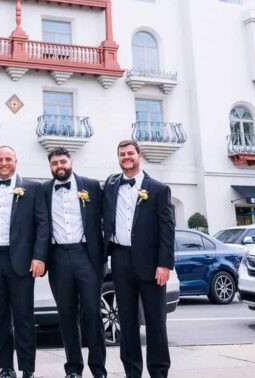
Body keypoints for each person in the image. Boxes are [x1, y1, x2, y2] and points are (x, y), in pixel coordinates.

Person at [102, 139, 176, 378]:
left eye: (130, 153)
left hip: (152, 263)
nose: (126, 157)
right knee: (127, 321)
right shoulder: (112, 184)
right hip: (121, 260)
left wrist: (164, 264)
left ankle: (158, 372)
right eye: (122, 154)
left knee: (156, 322)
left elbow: (167, 229)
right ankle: (131, 372)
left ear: (139, 156)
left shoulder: (158, 189)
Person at [0, 145, 49, 378]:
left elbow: (42, 225)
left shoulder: (32, 188)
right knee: (0, 317)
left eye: (8, 158)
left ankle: (27, 369)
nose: (4, 163)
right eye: (0, 159)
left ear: (16, 160)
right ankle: (6, 368)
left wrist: (39, 256)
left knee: (24, 317)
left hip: (21, 260)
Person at [39, 147, 107, 378]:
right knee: (66, 314)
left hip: (87, 256)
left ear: (71, 162)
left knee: (92, 312)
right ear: (50, 167)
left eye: (63, 161)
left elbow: (107, 218)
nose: (60, 166)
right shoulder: (43, 190)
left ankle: (98, 369)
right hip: (57, 257)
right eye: (55, 163)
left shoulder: (92, 186)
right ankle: (73, 368)